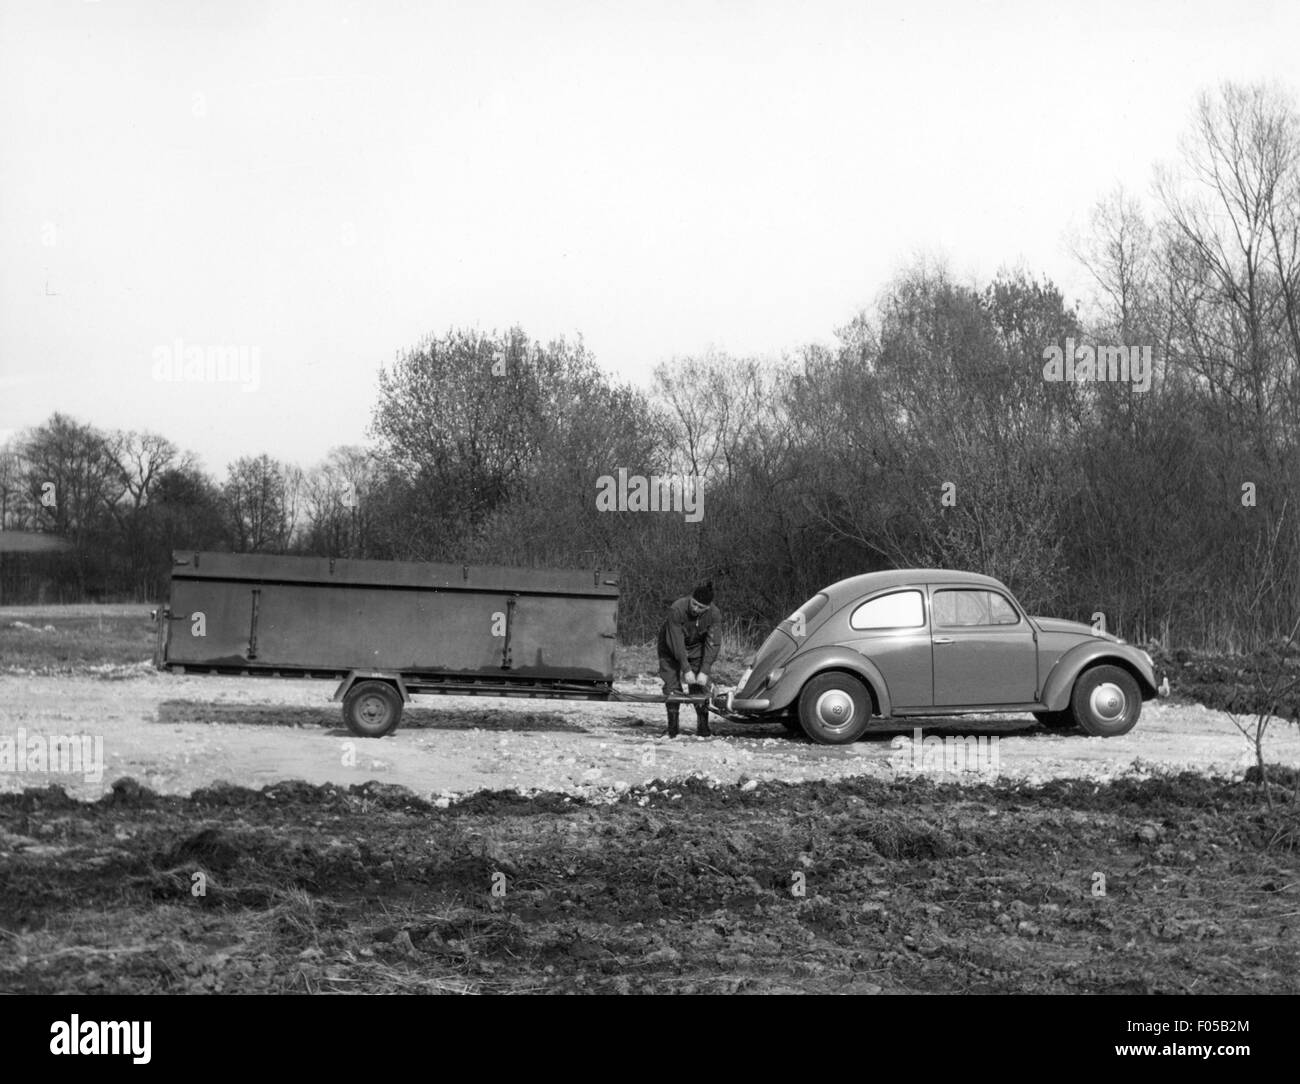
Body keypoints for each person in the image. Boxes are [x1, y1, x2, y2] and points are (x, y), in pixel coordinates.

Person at [657, 580, 720, 737]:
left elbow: (713, 643)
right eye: (694, 604)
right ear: (690, 598)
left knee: (699, 686)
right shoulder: (677, 609)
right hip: (670, 646)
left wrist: (704, 670)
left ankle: (703, 727)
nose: (695, 609)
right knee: (672, 686)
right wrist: (686, 669)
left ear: (708, 607)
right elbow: (676, 642)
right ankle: (672, 729)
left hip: (696, 647)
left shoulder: (714, 614)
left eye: (701, 607)